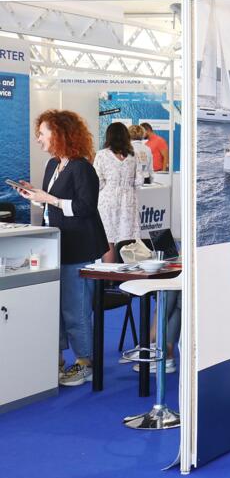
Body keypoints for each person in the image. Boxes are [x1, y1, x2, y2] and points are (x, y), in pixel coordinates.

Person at [17, 110, 109, 387]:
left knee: (75, 308)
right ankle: (56, 358)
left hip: (79, 247)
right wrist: (36, 197)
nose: (38, 138)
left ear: (59, 134)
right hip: (57, 245)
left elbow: (85, 207)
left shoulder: (82, 168)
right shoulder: (53, 165)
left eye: (42, 133)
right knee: (55, 307)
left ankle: (85, 362)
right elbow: (54, 204)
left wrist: (50, 199)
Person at [94, 122, 142, 263]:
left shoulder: (101, 155)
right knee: (127, 239)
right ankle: (127, 273)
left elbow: (97, 182)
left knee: (108, 239)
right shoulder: (133, 156)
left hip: (107, 201)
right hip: (129, 201)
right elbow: (139, 181)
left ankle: (109, 274)